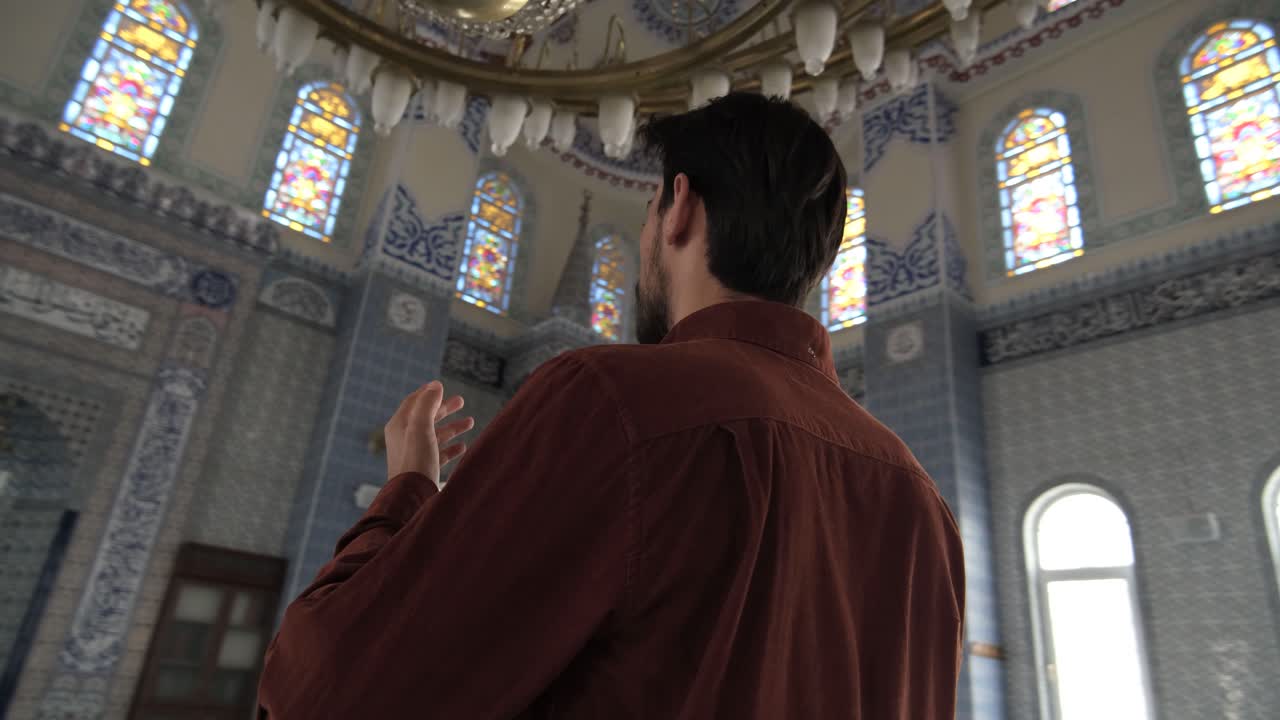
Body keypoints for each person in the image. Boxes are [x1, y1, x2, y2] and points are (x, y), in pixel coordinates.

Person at [257, 92, 965, 719]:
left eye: (650, 211)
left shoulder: (615, 402)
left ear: (680, 206)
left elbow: (335, 692)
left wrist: (407, 491)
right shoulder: (920, 501)